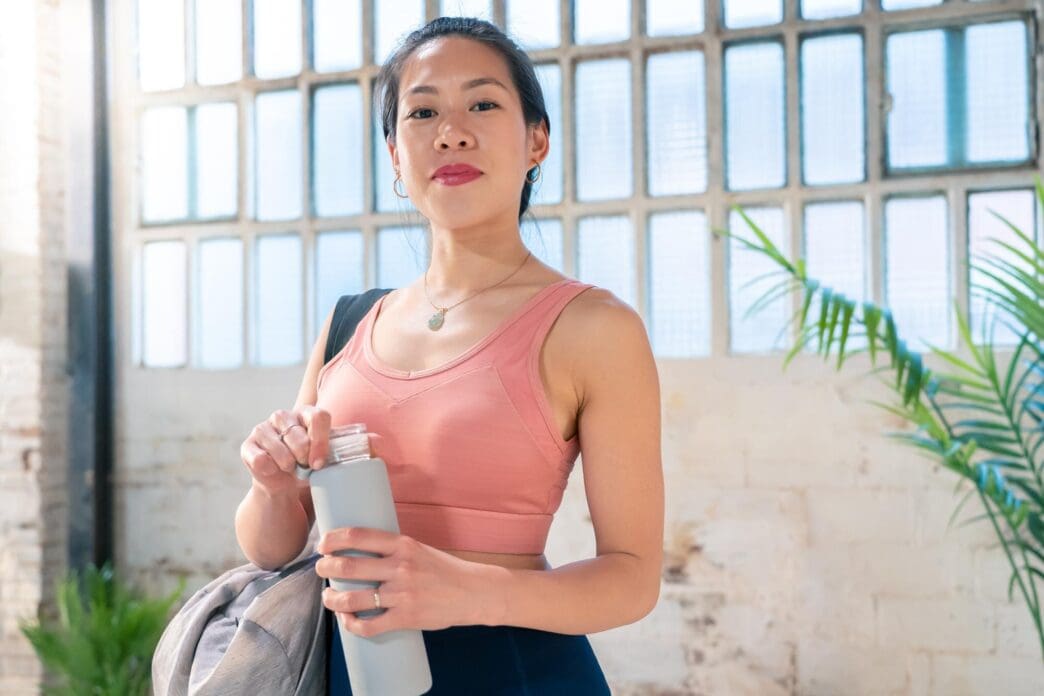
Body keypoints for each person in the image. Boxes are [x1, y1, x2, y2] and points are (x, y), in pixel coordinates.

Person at [234, 16, 663, 695]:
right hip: (352, 673)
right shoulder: (348, 323)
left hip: (512, 672)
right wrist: (272, 485)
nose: (451, 130)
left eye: (483, 103)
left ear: (536, 141)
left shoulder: (592, 327)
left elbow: (632, 579)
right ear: (396, 156)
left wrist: (469, 594)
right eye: (423, 111)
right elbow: (270, 547)